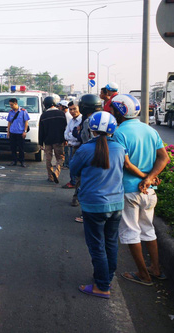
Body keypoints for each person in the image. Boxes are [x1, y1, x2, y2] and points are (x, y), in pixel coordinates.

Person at [111, 94, 171, 286]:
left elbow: (126, 164)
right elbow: (164, 158)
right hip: (149, 191)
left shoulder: (119, 133)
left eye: (113, 109)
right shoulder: (149, 130)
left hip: (130, 190)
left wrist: (143, 178)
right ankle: (156, 269)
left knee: (130, 232)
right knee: (148, 230)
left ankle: (143, 275)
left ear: (120, 111)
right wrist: (150, 178)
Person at [70, 111, 125, 299]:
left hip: (93, 205)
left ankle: (102, 286)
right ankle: (106, 278)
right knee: (111, 243)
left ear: (91, 129)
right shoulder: (119, 148)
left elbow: (74, 169)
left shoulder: (85, 149)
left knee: (97, 246)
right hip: (116, 203)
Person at [39, 95, 67, 183]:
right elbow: (65, 128)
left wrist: (40, 143)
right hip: (59, 140)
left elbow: (41, 131)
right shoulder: (61, 114)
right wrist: (65, 139)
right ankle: (56, 171)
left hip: (47, 141)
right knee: (60, 158)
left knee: (48, 159)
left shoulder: (43, 115)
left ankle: (50, 177)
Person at [63, 103, 82, 190]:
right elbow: (66, 135)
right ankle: (73, 182)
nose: (72, 111)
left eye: (74, 109)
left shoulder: (82, 120)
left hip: (79, 147)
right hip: (72, 147)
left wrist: (72, 136)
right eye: (70, 109)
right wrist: (72, 135)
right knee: (72, 166)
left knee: (78, 168)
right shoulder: (71, 121)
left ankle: (76, 184)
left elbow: (79, 137)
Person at [6, 98, 30, 167]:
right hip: (12, 132)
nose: (11, 106)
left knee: (21, 148)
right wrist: (8, 132)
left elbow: (26, 122)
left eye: (12, 105)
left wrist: (24, 131)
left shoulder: (23, 111)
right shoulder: (11, 112)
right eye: (10, 105)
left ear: (16, 103)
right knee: (13, 148)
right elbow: (9, 122)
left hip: (20, 133)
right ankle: (14, 161)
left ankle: (22, 161)